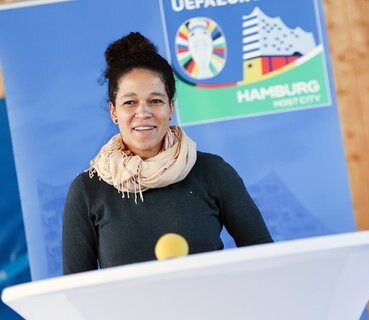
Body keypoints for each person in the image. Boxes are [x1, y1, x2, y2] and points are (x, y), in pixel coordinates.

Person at [62, 32, 273, 274]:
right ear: (113, 111)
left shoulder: (212, 172)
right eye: (130, 102)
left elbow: (265, 258)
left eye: (155, 100)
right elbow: (76, 289)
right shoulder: (87, 191)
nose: (143, 112)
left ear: (171, 107)